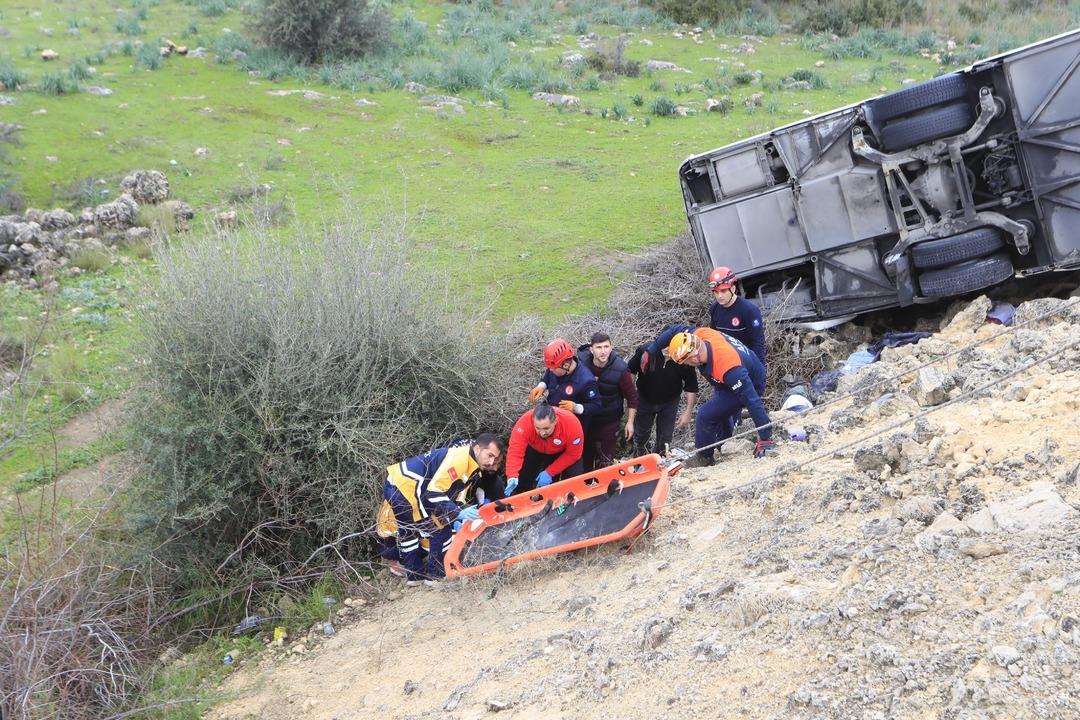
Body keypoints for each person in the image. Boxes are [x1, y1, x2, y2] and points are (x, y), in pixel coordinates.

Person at [379, 434, 505, 585]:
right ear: (477, 449)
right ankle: (434, 577)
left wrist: (460, 508)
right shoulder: (460, 459)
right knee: (440, 529)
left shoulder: (470, 464)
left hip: (400, 484)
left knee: (412, 533)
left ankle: (416, 577)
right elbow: (434, 492)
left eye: (495, 458)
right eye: (489, 455)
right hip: (406, 488)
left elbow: (452, 492)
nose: (491, 462)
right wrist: (458, 513)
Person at [643, 324, 774, 466]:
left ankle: (704, 457)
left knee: (705, 415)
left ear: (693, 359)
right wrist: (651, 351)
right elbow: (674, 330)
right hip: (731, 373)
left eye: (685, 362)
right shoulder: (699, 336)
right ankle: (722, 443)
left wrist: (765, 438)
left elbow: (752, 400)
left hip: (751, 380)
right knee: (718, 410)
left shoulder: (729, 368)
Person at [576, 332, 639, 470]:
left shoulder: (621, 369)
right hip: (587, 419)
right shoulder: (581, 364)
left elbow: (632, 397)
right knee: (585, 460)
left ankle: (603, 490)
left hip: (609, 421)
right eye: (599, 347)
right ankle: (587, 489)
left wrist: (629, 422)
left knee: (605, 461)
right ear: (591, 349)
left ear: (611, 348)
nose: (603, 351)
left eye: (606, 347)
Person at [627, 341, 698, 457]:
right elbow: (631, 370)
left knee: (665, 438)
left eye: (670, 346)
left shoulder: (683, 357)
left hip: (670, 402)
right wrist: (631, 395)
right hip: (644, 398)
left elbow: (691, 386)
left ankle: (660, 460)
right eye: (664, 345)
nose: (666, 349)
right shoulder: (646, 351)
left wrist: (688, 412)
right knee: (640, 435)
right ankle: (638, 460)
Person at [504, 404, 584, 495]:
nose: (542, 433)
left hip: (563, 450)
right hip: (536, 448)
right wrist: (511, 475)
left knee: (574, 476)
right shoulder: (524, 423)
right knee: (524, 475)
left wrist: (550, 472)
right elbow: (515, 451)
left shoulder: (571, 424)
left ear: (555, 421)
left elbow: (574, 454)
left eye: (546, 428)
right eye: (537, 428)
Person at [528, 338, 601, 430]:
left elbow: (596, 405)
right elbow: (548, 375)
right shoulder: (556, 366)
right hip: (552, 419)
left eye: (553, 368)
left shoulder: (586, 380)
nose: (550, 370)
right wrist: (541, 386)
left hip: (572, 426)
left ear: (566, 365)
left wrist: (576, 408)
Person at [707, 266, 767, 367]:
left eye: (723, 291)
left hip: (747, 362)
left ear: (733, 289)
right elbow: (714, 337)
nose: (719, 296)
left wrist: (759, 370)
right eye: (716, 292)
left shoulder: (749, 310)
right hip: (727, 362)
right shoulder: (714, 309)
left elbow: (758, 344)